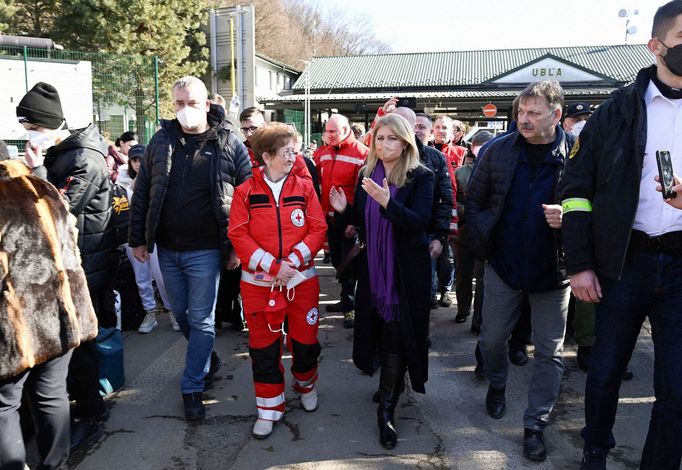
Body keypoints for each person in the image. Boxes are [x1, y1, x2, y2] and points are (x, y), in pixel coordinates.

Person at [561, 2, 682, 468]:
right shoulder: (615, 113)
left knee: (676, 386)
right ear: (656, 46)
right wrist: (579, 263)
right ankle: (595, 452)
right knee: (605, 372)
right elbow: (576, 192)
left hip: (680, 265)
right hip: (624, 261)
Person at [129, 76, 251, 421]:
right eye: (179, 103)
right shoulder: (160, 141)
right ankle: (207, 358)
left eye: (192, 103)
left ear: (207, 104)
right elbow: (143, 194)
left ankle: (192, 386)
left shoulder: (229, 143)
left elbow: (246, 199)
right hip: (167, 248)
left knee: (201, 318)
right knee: (181, 316)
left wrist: (237, 247)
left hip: (207, 250)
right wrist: (138, 238)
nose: (185, 110)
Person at [466, 80, 574, 462]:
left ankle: (535, 424)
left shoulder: (577, 155)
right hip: (504, 267)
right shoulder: (497, 151)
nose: (524, 120)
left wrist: (571, 217)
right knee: (492, 340)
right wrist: (486, 247)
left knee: (549, 353)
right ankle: (497, 384)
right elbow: (474, 201)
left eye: (534, 113)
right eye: (520, 113)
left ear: (556, 115)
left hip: (554, 273)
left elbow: (598, 205)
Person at [16, 81, 114, 450]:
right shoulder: (62, 151)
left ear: (52, 124)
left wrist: (38, 170)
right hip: (65, 260)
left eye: (33, 128)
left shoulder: (83, 158)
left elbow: (55, 210)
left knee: (80, 341)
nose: (29, 135)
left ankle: (92, 411)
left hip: (86, 261)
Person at [329, 114, 434, 449]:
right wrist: (345, 210)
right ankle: (390, 382)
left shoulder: (421, 177)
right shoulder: (366, 174)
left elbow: (419, 223)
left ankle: (387, 409)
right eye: (380, 138)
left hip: (405, 271)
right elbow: (362, 221)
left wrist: (389, 203)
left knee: (397, 335)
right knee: (379, 330)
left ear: (406, 142)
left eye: (393, 139)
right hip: (373, 268)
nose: (386, 144)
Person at [228, 122, 327, 439]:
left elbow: (317, 228)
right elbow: (238, 234)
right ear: (267, 156)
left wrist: (292, 262)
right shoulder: (245, 192)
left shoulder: (305, 187)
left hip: (302, 283)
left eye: (295, 151)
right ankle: (269, 408)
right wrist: (272, 266)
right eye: (287, 152)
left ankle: (305, 382)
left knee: (305, 342)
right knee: (264, 350)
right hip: (259, 287)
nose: (294, 157)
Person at [0, 155, 99, 470]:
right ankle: (55, 465)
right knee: (51, 393)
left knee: (4, 405)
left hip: (13, 324)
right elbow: (72, 241)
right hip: (61, 313)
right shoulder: (45, 187)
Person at [314, 114, 369, 328]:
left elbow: (362, 194)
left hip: (348, 220)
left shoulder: (362, 154)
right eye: (327, 131)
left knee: (350, 264)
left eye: (333, 131)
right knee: (338, 262)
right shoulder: (324, 154)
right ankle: (346, 300)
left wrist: (354, 223)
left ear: (346, 130)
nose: (328, 135)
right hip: (329, 219)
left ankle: (351, 307)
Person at [117, 144, 178, 333]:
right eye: (134, 160)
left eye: (141, 160)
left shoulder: (159, 178)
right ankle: (149, 311)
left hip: (155, 234)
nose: (138, 164)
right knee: (141, 277)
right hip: (134, 234)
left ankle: (173, 311)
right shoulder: (123, 179)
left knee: (162, 276)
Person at [454, 131, 493, 325]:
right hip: (463, 232)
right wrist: (464, 210)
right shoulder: (461, 173)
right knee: (463, 275)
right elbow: (452, 201)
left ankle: (479, 319)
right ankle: (462, 309)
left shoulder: (497, 170)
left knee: (483, 279)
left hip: (486, 234)